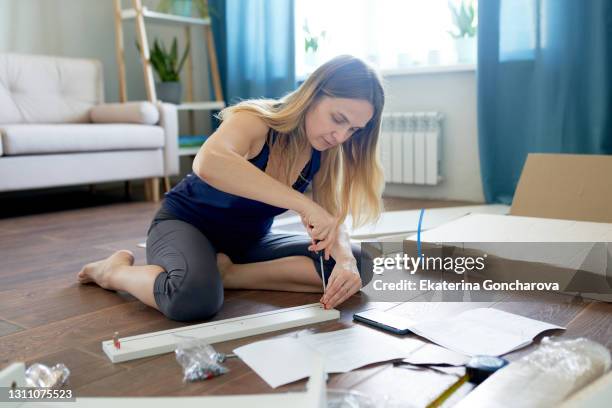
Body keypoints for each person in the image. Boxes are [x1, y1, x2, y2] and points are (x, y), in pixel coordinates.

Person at [78, 55, 385, 322]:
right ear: (313, 93)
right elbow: (208, 162)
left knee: (360, 265)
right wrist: (303, 204)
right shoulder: (255, 120)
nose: (341, 136)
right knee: (194, 299)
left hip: (249, 241)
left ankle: (228, 274)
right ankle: (112, 272)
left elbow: (331, 221)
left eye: (353, 130)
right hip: (185, 225)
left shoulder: (325, 152)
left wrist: (343, 257)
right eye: (338, 119)